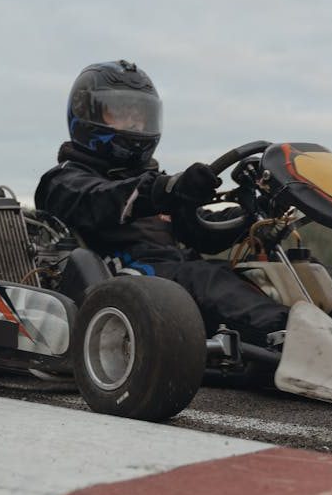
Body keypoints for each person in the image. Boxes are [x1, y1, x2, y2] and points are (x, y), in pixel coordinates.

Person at [35, 59, 291, 346]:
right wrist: (164, 189)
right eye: (121, 113)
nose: (134, 123)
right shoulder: (63, 181)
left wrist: (252, 216)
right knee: (203, 277)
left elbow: (199, 232)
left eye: (140, 114)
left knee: (280, 268)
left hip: (174, 280)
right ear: (86, 114)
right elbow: (104, 200)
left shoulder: (153, 184)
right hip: (122, 285)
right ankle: (290, 335)